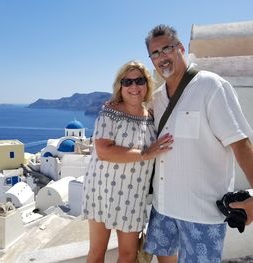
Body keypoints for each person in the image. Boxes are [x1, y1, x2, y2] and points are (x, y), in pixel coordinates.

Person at [143, 24, 253, 263]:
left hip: (201, 214)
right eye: (155, 53)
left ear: (181, 48)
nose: (162, 57)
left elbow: (241, 144)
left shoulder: (211, 86)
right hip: (163, 208)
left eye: (167, 49)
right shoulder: (157, 98)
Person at [82, 60, 173, 263]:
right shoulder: (110, 112)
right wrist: (145, 153)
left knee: (129, 254)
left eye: (139, 80)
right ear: (120, 86)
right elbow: (103, 150)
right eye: (127, 82)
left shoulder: (151, 116)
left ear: (147, 84)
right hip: (102, 190)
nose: (134, 87)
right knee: (97, 252)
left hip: (133, 195)